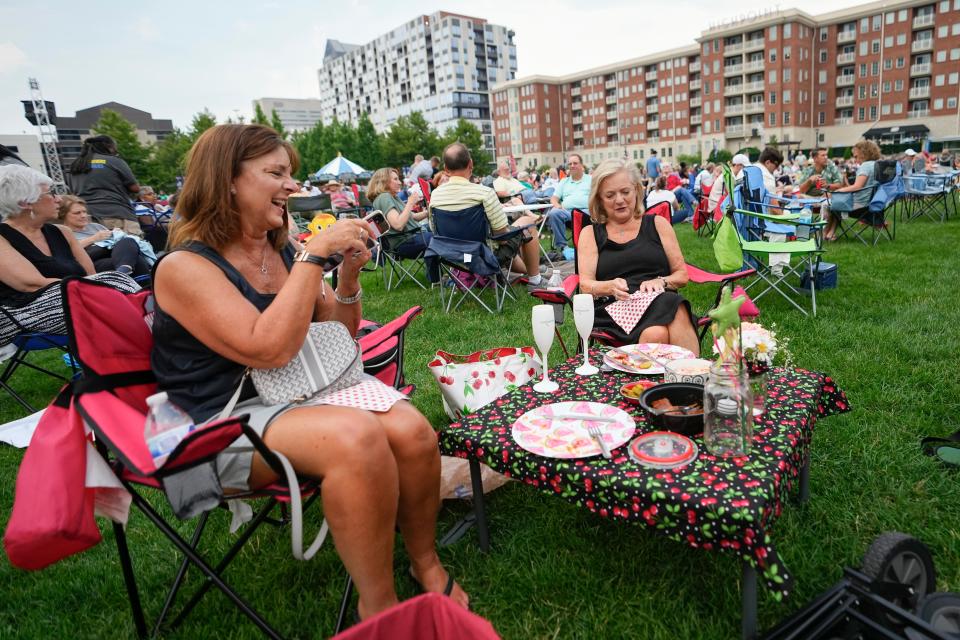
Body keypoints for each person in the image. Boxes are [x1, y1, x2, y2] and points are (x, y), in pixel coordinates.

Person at [150, 124, 468, 620]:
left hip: (296, 396)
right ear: (226, 181)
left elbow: (337, 330)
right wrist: (314, 256)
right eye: (276, 173)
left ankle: (424, 562)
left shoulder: (277, 252)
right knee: (357, 438)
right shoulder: (183, 267)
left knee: (413, 431)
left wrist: (346, 275)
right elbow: (269, 348)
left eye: (291, 173)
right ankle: (380, 611)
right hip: (217, 424)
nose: (292, 185)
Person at [0, 165, 140, 347]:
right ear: (25, 203)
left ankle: (134, 356)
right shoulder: (2, 237)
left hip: (79, 300)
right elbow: (30, 284)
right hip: (23, 314)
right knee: (115, 286)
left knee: (116, 286)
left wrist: (94, 288)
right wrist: (94, 288)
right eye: (50, 193)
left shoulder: (62, 232)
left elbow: (90, 274)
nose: (58, 199)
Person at [576, 159, 698, 352]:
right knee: (672, 307)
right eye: (610, 195)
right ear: (599, 199)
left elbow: (681, 275)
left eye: (625, 192)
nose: (619, 200)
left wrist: (662, 282)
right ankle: (692, 377)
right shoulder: (591, 234)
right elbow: (585, 285)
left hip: (659, 301)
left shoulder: (658, 224)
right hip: (615, 308)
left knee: (657, 331)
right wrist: (610, 286)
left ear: (636, 191)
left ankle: (677, 379)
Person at [428, 142, 544, 288]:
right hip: (483, 257)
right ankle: (535, 280)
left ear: (445, 168)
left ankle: (528, 271)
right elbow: (502, 238)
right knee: (527, 225)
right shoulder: (484, 193)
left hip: (453, 256)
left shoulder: (435, 195)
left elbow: (435, 230)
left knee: (505, 235)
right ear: (471, 164)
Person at [58, 195, 154, 276]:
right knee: (133, 259)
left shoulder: (96, 226)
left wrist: (115, 234)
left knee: (128, 243)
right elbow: (66, 253)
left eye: (84, 212)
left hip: (112, 260)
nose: (83, 216)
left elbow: (113, 243)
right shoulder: (62, 232)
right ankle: (147, 288)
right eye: (77, 213)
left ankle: (123, 272)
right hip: (90, 263)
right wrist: (93, 239)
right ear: (63, 215)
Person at [67, 135, 142, 235]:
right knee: (129, 247)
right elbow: (135, 188)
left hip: (86, 216)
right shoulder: (114, 161)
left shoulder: (76, 165)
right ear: (109, 147)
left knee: (95, 248)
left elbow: (72, 192)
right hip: (116, 214)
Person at [366, 167, 431, 259]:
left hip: (412, 237)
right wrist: (410, 203)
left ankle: (435, 273)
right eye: (395, 179)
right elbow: (398, 225)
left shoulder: (393, 197)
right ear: (384, 181)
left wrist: (429, 211)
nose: (400, 182)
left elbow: (413, 217)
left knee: (440, 230)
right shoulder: (384, 197)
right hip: (406, 242)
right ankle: (448, 271)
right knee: (442, 236)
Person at [824, 140, 881, 241]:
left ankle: (824, 234)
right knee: (836, 204)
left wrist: (838, 191)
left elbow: (857, 187)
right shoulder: (876, 165)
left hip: (860, 206)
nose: (855, 160)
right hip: (874, 204)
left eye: (856, 156)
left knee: (830, 205)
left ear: (864, 153)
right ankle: (831, 233)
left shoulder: (865, 166)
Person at [545, 153, 592, 259]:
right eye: (570, 164)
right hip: (568, 213)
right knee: (554, 212)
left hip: (587, 212)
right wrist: (557, 205)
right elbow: (554, 198)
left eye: (575, 163)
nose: (572, 165)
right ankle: (563, 248)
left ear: (582, 166)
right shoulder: (564, 181)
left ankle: (594, 245)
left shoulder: (591, 179)